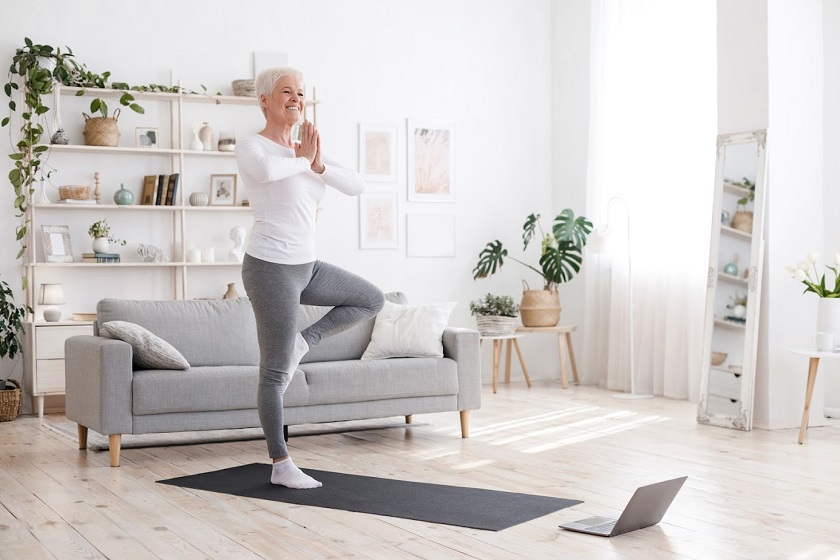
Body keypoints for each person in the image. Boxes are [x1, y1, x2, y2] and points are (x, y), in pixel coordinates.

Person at [235, 67, 384, 489]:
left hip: (308, 265)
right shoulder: (252, 146)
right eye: (287, 91)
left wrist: (317, 164)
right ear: (265, 99)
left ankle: (307, 341)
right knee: (275, 372)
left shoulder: (306, 152)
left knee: (370, 298)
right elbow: (267, 173)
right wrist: (303, 160)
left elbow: (356, 185)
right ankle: (280, 464)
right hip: (269, 268)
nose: (296, 98)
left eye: (301, 92)